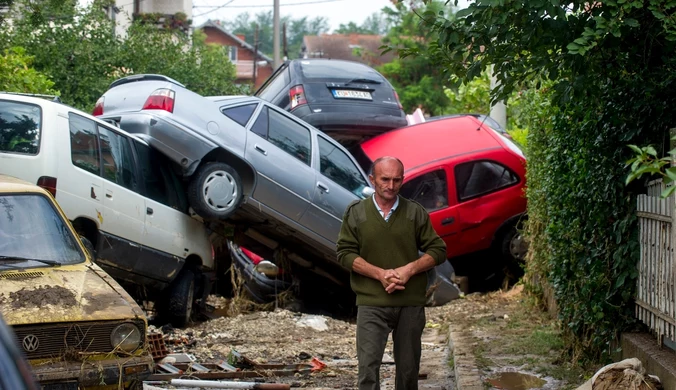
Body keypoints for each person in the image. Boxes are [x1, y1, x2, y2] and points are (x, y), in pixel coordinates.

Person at [336, 156, 447, 390]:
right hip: (371, 302)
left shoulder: (414, 213)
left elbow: (438, 250)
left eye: (397, 180)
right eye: (385, 179)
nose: (391, 185)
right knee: (367, 370)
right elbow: (345, 253)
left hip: (410, 303)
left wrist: (408, 269)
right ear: (372, 179)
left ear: (402, 180)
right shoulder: (357, 213)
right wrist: (379, 274)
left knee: (408, 372)